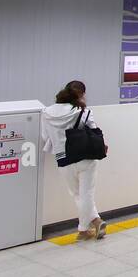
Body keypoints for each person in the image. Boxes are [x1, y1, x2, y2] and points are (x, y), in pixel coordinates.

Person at [42, 80, 107, 241]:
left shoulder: (46, 112)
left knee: (77, 194)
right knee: (86, 194)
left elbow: (45, 137)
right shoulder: (83, 111)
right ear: (82, 94)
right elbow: (94, 130)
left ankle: (86, 229)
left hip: (63, 158)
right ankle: (90, 225)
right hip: (86, 156)